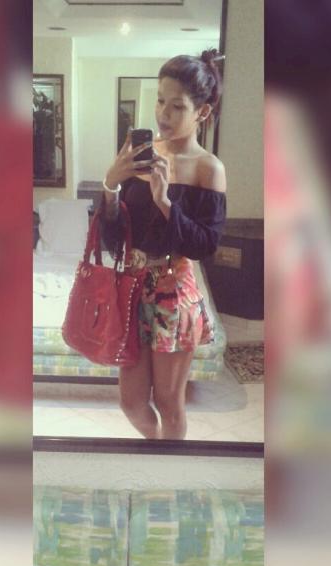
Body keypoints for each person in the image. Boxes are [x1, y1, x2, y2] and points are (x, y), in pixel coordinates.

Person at [100, 49, 227, 440]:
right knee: (131, 403)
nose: (163, 114)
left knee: (170, 403)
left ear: (202, 112)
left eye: (177, 106)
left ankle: (170, 468)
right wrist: (111, 184)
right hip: (132, 289)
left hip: (174, 294)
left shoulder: (208, 168)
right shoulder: (139, 156)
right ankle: (157, 450)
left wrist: (165, 202)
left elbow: (206, 245)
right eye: (160, 101)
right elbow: (110, 238)